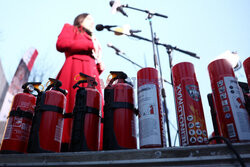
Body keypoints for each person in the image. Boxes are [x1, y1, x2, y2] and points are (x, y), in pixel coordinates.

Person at [56, 13, 104, 152]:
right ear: (80, 20)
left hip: (90, 74)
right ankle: (65, 139)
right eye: (89, 19)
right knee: (72, 103)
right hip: (74, 70)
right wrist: (90, 44)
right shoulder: (71, 28)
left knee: (93, 107)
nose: (92, 22)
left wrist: (99, 64)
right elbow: (61, 44)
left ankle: (92, 140)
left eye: (93, 20)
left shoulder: (94, 39)